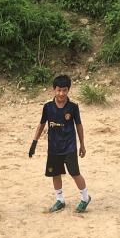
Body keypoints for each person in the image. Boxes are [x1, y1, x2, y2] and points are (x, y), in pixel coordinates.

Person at [29, 74, 91, 213]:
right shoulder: (48, 107)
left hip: (69, 147)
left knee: (75, 173)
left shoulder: (73, 107)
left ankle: (85, 197)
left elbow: (79, 126)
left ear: (68, 90)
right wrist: (34, 142)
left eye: (64, 90)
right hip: (53, 148)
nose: (61, 93)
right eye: (58, 90)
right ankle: (60, 199)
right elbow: (41, 124)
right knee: (55, 174)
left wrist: (82, 144)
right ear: (53, 90)